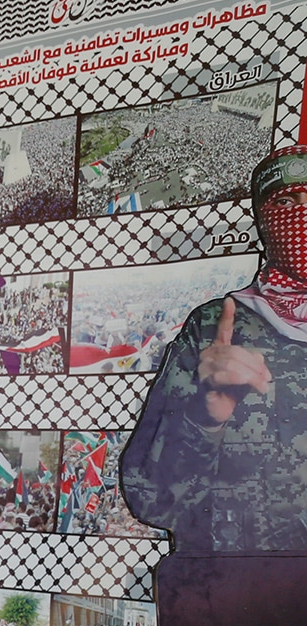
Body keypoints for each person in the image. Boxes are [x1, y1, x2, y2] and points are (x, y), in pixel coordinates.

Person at [125, 145, 307, 552]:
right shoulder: (213, 326)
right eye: (286, 201)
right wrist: (204, 422)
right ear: (264, 221)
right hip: (243, 590)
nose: (302, 213)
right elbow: (150, 497)